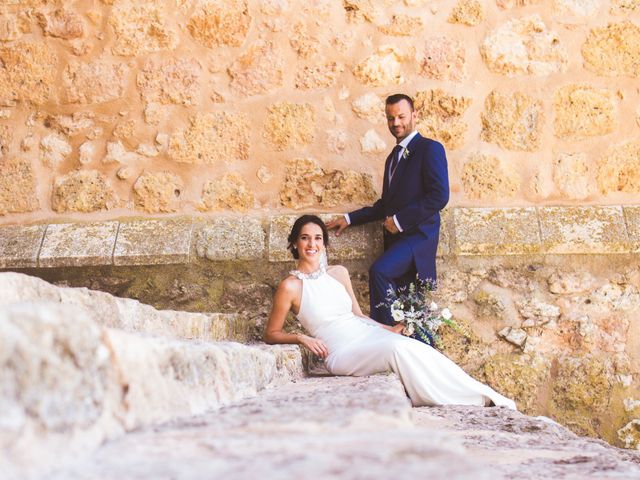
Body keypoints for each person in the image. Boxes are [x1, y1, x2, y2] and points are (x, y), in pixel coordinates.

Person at [264, 215, 516, 409]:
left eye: (318, 238)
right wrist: (301, 338)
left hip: (366, 335)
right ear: (295, 243)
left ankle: (485, 396)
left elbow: (358, 316)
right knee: (397, 350)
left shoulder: (338, 274)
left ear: (324, 244)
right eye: (305, 238)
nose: (312, 244)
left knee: (417, 347)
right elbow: (271, 333)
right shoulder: (291, 286)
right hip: (341, 351)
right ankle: (454, 400)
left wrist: (389, 329)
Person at [327, 93, 449, 326]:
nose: (396, 123)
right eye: (390, 118)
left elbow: (440, 195)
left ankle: (382, 336)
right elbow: (386, 205)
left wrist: (400, 221)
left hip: (417, 239)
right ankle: (416, 351)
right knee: (409, 313)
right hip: (397, 242)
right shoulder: (392, 158)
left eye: (401, 116)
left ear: (414, 115)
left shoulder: (429, 149)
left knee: (379, 271)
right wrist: (349, 218)